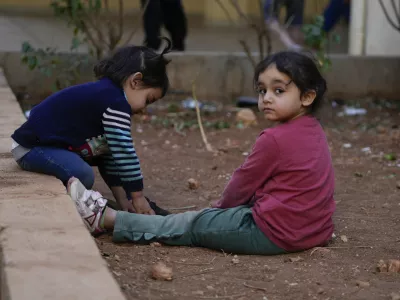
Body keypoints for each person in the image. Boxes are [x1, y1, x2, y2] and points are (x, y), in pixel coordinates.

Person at [67, 51, 336, 255]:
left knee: (196, 224)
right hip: (313, 231)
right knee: (196, 220)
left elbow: (242, 184)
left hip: (275, 232)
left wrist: (216, 214)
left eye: (278, 90)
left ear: (307, 97)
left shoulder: (275, 139)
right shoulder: (313, 130)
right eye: (262, 90)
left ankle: (106, 218)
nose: (266, 97)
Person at [11, 38, 173, 216]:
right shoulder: (115, 102)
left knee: (91, 166)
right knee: (83, 175)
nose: (144, 109)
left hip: (46, 147)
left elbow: (109, 156)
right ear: (135, 81)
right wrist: (138, 196)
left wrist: (123, 200)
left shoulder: (108, 97)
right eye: (148, 100)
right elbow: (124, 151)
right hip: (33, 148)